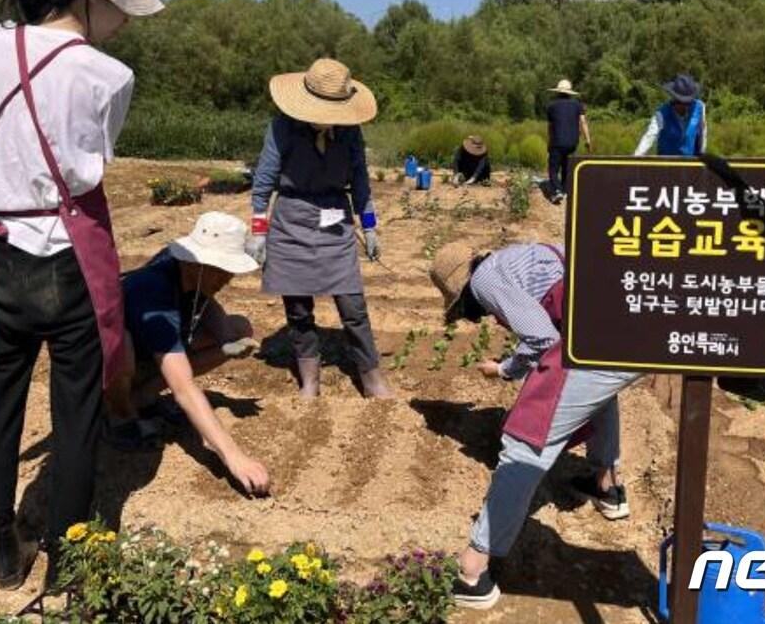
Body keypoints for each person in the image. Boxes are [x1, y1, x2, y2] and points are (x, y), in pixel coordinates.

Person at [0, 0, 162, 589]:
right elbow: (84, 173)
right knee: (77, 414)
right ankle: (66, 562)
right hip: (68, 265)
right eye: (120, 6)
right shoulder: (111, 76)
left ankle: (3, 547)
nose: (122, 22)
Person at [430, 242, 641, 610]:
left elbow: (544, 339)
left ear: (463, 293)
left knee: (525, 442)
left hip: (596, 335)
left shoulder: (484, 281)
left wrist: (506, 369)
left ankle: (472, 573)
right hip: (627, 329)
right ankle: (606, 487)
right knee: (598, 392)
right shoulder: (521, 255)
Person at [247, 59, 393, 398]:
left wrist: (369, 228)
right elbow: (264, 180)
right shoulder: (282, 128)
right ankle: (309, 377)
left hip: (334, 218)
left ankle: (371, 377)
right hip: (291, 219)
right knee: (298, 308)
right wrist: (258, 231)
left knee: (352, 305)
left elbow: (360, 182)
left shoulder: (350, 132)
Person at [107, 212, 269, 495]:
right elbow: (183, 386)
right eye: (223, 270)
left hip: (151, 348)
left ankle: (144, 395)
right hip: (111, 360)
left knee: (238, 329)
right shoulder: (155, 289)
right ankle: (119, 415)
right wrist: (234, 456)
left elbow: (204, 303)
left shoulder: (188, 271)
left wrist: (225, 340)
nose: (229, 278)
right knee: (120, 346)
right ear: (200, 264)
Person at [635, 74, 708, 157]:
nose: (684, 106)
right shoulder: (661, 114)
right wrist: (636, 157)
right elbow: (649, 136)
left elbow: (702, 132)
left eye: (688, 103)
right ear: (674, 98)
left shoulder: (699, 108)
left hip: (690, 162)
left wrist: (702, 153)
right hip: (667, 163)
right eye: (681, 102)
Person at [545, 79, 592, 203]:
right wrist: (588, 139)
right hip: (572, 142)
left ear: (557, 92)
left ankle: (557, 191)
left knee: (553, 168)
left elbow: (550, 127)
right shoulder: (577, 105)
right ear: (570, 93)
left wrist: (549, 142)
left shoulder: (551, 106)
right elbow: (583, 122)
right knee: (567, 166)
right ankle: (565, 190)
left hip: (557, 141)